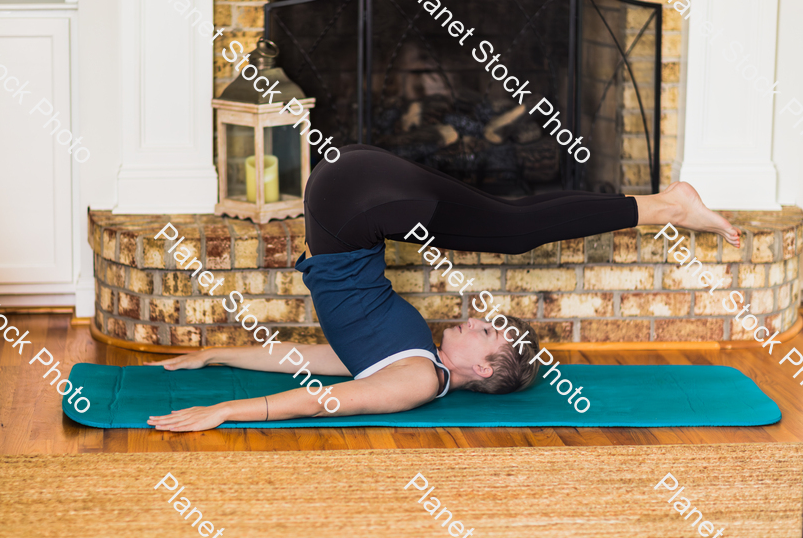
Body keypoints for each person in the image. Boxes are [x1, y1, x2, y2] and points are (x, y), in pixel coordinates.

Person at [145, 145, 740, 432]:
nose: (472, 319)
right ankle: (667, 206)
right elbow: (325, 373)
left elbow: (313, 386)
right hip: (354, 200)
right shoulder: (414, 358)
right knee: (512, 224)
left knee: (513, 225)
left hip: (355, 195)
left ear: (482, 370)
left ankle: (669, 205)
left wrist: (223, 390)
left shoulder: (412, 379)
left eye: (484, 333)